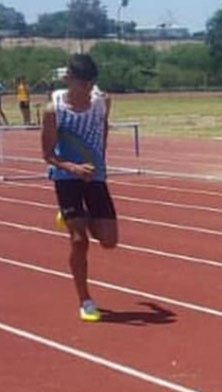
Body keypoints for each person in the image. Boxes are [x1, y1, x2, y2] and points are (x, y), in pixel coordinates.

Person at [41, 54, 118, 322]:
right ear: (68, 79)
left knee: (109, 241)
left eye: (90, 84)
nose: (86, 90)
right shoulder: (54, 110)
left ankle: (74, 217)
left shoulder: (102, 101)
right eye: (80, 84)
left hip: (95, 175)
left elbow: (103, 125)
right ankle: (85, 300)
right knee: (79, 240)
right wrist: (72, 168)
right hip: (67, 176)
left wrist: (100, 156)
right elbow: (48, 155)